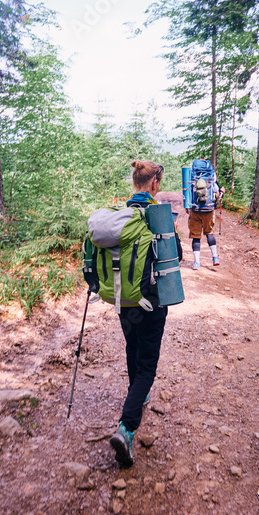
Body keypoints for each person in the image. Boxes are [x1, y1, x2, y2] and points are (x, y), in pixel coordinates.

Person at [108, 160, 182, 467]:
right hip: (153, 301)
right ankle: (126, 428)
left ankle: (136, 395)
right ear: (154, 184)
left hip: (123, 300)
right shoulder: (157, 217)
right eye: (159, 183)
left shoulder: (119, 216)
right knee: (148, 364)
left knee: (133, 347)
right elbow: (174, 254)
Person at [186, 176, 223, 270]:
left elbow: (187, 193)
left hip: (195, 210)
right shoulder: (211, 178)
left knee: (195, 236)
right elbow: (217, 196)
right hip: (208, 211)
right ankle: (215, 257)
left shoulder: (192, 178)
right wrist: (222, 192)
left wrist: (187, 206)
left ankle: (196, 263)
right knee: (209, 232)